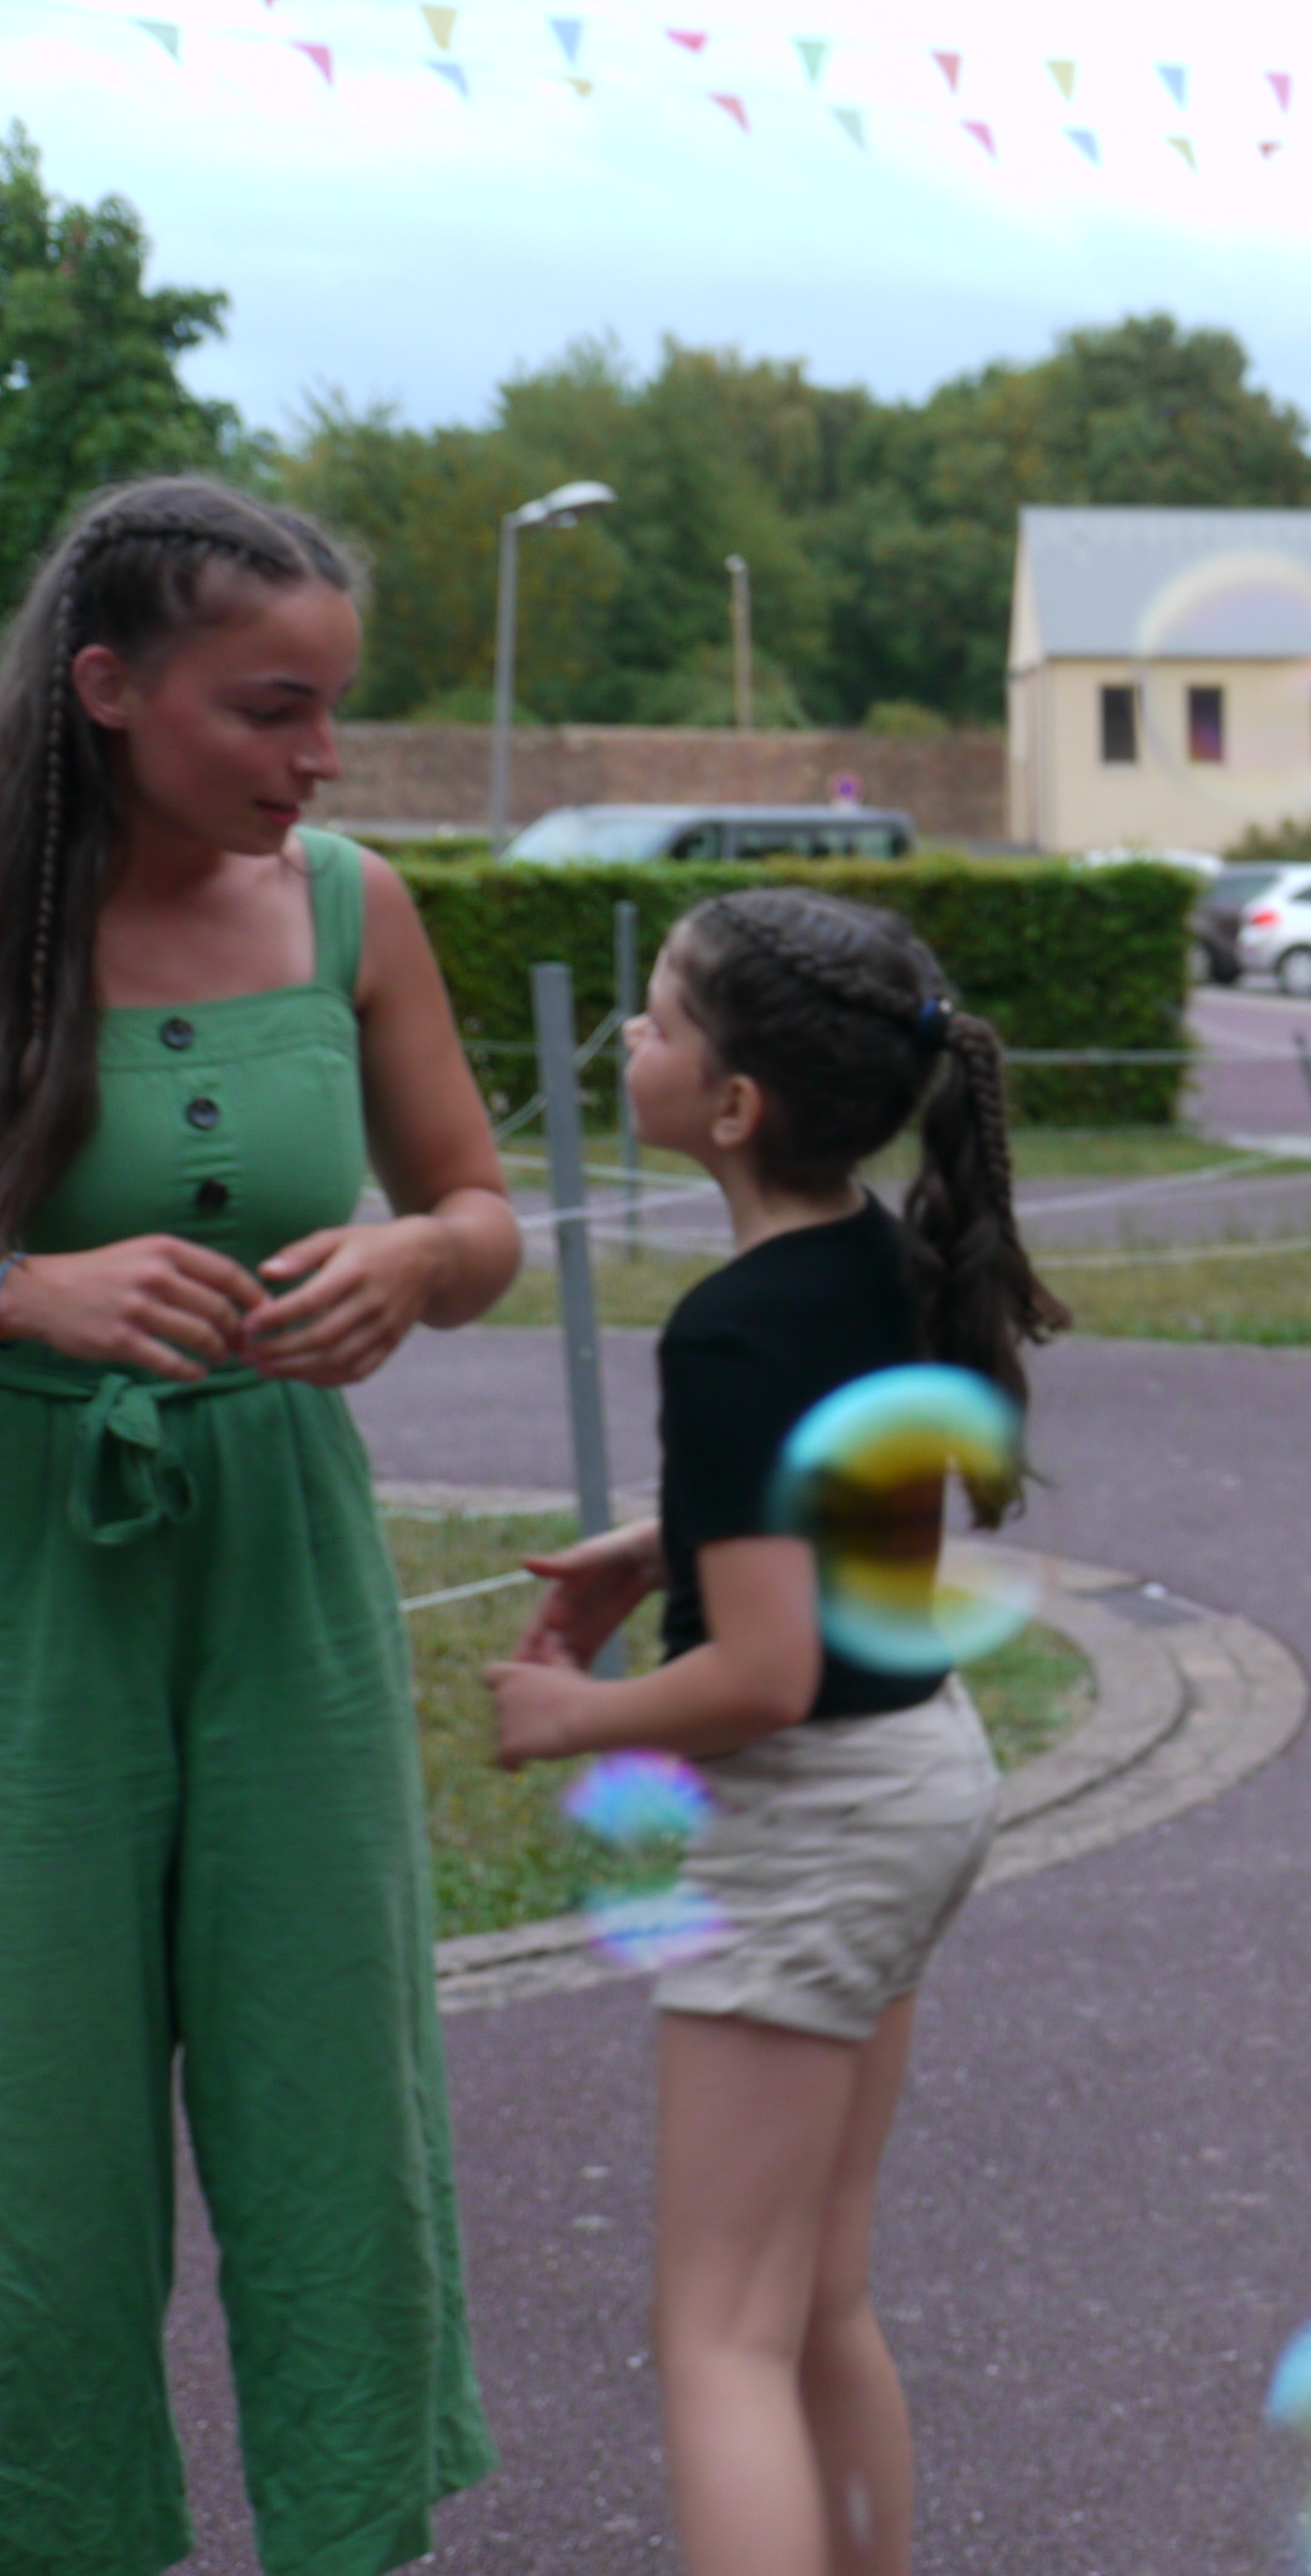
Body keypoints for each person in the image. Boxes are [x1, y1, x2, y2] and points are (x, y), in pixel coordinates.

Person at [0, 477, 524, 2573]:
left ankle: (345, 2526)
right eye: (270, 710)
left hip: (286, 1556)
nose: (318, 761)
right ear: (110, 687)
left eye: (333, 714)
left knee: (335, 2097)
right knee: (39, 2121)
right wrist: (26, 1290)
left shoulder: (349, 905)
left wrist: (418, 1264)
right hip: (31, 1559)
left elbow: (480, 1209)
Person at [483, 887, 1065, 2576]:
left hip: (814, 1814)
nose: (629, 1048)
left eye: (655, 1023)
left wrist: (565, 1717)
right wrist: (663, 1541)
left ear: (732, 1109)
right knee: (810, 2299)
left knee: (720, 2333)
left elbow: (761, 1678)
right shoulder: (883, 1258)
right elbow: (818, 1520)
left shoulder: (733, 1326)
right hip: (917, 1784)